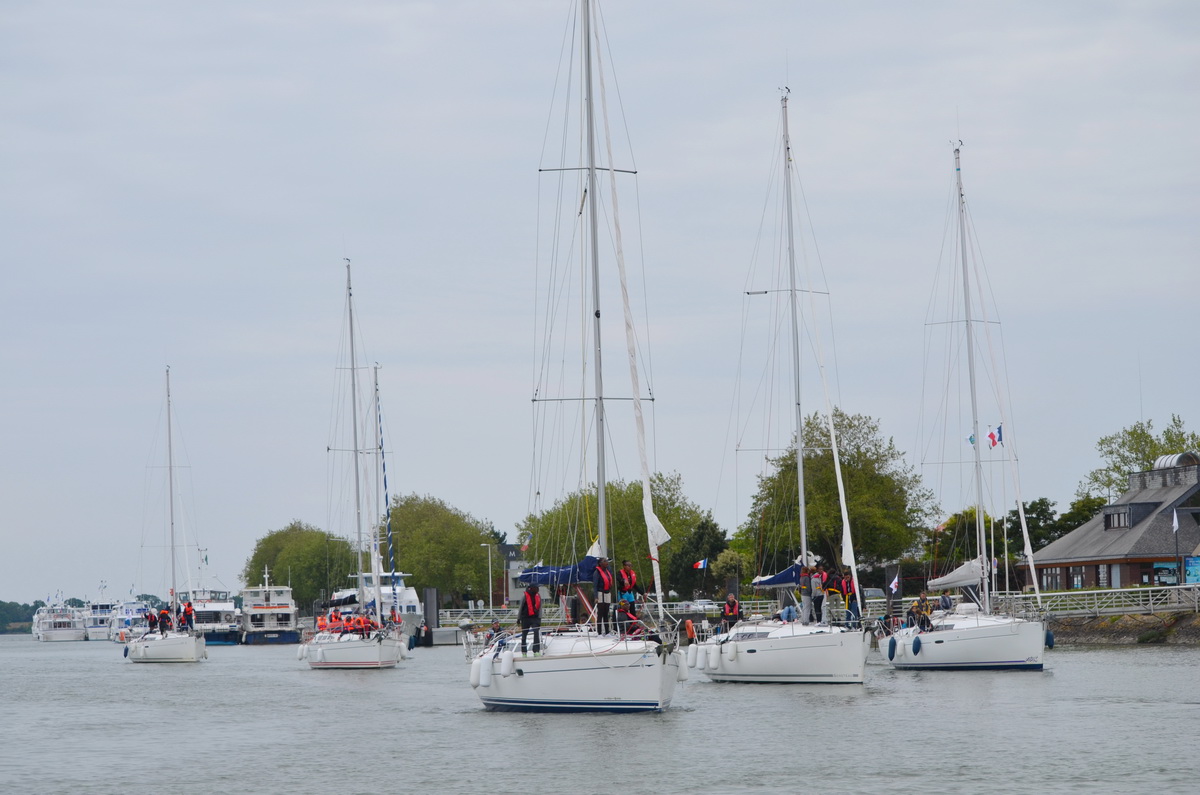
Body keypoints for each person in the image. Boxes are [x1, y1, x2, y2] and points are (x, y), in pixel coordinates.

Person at [518, 584, 542, 656]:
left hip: (535, 618)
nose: (538, 589)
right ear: (532, 588)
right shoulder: (525, 596)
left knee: (536, 632)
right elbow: (520, 607)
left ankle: (536, 650)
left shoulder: (538, 596)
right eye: (536, 587)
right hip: (525, 618)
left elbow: (540, 607)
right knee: (524, 634)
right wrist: (518, 618)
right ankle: (524, 652)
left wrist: (539, 617)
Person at [593, 557, 614, 634]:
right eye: (604, 561)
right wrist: (596, 597)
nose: (606, 562)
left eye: (607, 561)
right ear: (600, 563)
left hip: (607, 593)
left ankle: (607, 632)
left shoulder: (607, 571)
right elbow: (595, 586)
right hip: (600, 593)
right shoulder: (597, 573)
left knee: (606, 613)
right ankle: (599, 632)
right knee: (600, 613)